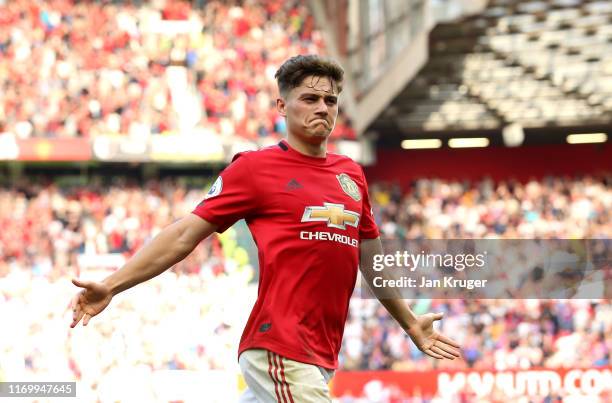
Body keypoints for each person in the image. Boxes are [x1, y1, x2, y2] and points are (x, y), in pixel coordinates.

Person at [69, 54, 461, 402]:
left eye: (330, 100)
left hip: (322, 352)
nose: (322, 107)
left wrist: (410, 323)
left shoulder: (352, 175)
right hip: (280, 346)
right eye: (309, 98)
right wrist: (113, 284)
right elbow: (185, 234)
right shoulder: (255, 169)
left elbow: (371, 261)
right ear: (282, 106)